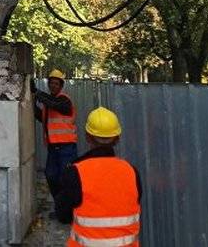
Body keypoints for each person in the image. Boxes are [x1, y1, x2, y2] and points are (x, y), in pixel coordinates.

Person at [55, 107, 142, 246]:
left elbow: (63, 215)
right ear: (117, 138)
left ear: (87, 136)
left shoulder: (75, 172)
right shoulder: (132, 172)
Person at [33, 69, 78, 201]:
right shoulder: (49, 104)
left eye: (56, 84)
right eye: (51, 83)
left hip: (67, 147)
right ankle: (60, 205)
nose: (53, 86)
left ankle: (68, 210)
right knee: (51, 175)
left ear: (61, 86)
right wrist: (32, 103)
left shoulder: (64, 100)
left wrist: (38, 93)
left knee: (65, 178)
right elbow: (42, 118)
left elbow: (55, 104)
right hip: (53, 148)